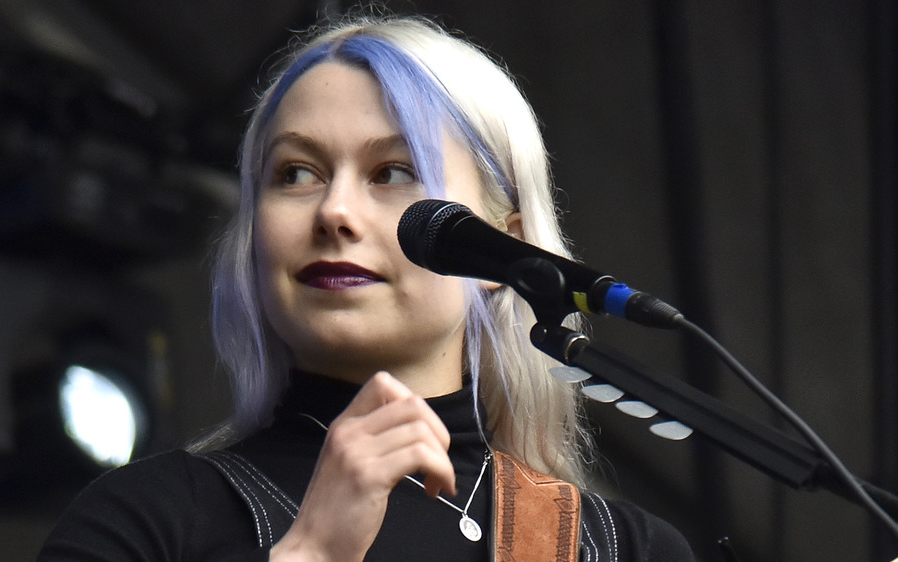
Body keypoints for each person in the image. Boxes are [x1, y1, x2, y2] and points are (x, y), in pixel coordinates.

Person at [38, 13, 694, 561]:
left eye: (393, 171)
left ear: (509, 253)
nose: (334, 212)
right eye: (295, 173)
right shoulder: (146, 522)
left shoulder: (622, 549)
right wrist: (312, 551)